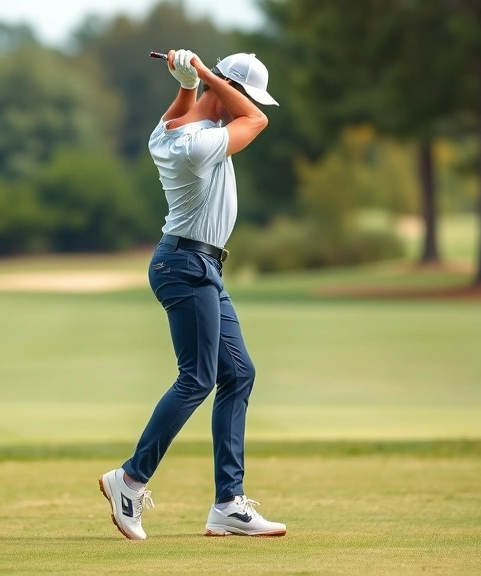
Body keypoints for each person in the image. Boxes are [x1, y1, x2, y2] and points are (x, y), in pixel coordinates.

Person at [98, 49, 284, 540]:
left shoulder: (168, 131)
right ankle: (129, 480)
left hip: (197, 265)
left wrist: (186, 83)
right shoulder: (196, 145)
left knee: (238, 373)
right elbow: (256, 119)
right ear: (229, 91)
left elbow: (186, 110)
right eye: (242, 93)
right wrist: (202, 75)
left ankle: (228, 504)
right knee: (197, 378)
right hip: (187, 266)